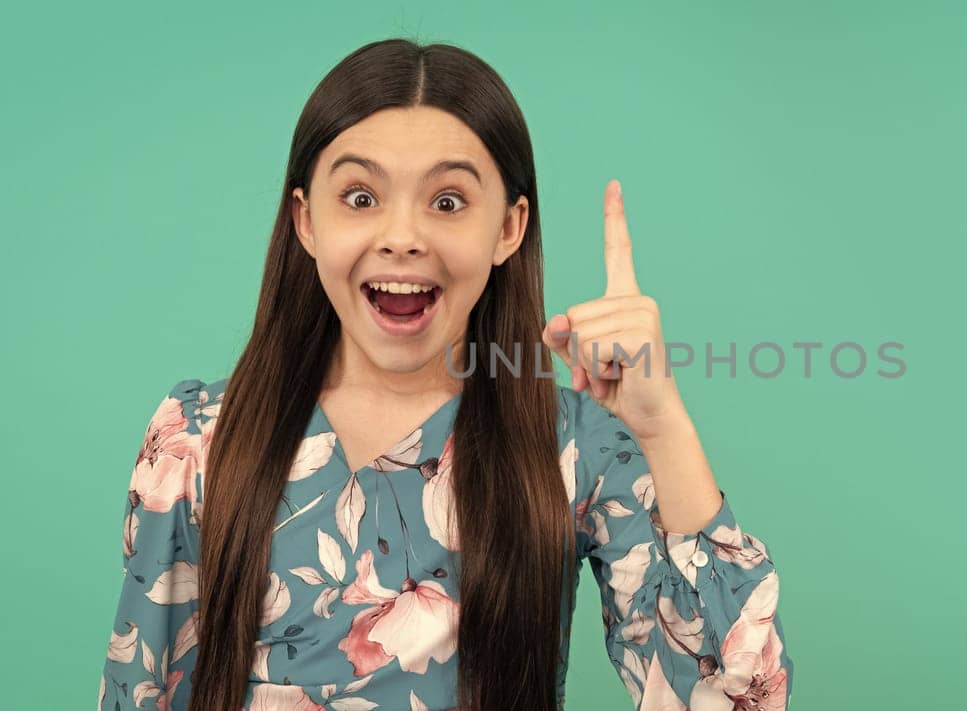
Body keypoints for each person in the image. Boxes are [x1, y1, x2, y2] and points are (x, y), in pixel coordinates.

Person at [98, 38, 791, 711]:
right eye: (361, 197)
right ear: (306, 222)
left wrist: (662, 424)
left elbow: (734, 700)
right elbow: (141, 687)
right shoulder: (193, 439)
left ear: (509, 229)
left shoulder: (576, 449)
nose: (403, 234)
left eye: (448, 201)